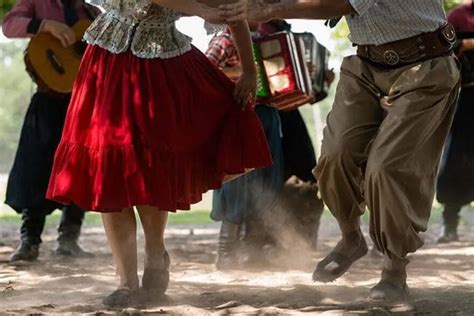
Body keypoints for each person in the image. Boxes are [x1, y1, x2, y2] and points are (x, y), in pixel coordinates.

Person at [219, 0, 460, 301]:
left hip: (425, 65)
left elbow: (340, 4)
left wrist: (266, 10)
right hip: (366, 65)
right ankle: (351, 238)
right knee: (333, 157)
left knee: (386, 169)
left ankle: (394, 270)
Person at [45, 0, 271, 308]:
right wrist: (201, 10)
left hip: (158, 66)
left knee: (149, 167)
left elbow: (232, 8)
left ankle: (155, 254)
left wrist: (249, 68)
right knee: (107, 169)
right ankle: (126, 282)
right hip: (105, 62)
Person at [207, 19, 325, 270]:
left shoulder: (266, 42)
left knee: (266, 183)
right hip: (239, 120)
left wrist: (299, 74)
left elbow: (277, 87)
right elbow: (206, 73)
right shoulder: (225, 40)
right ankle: (226, 251)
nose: (261, 12)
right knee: (237, 185)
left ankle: (252, 249)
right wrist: (246, 74)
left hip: (269, 120)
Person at [2, 0, 99, 262]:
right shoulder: (35, 2)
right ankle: (29, 242)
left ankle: (69, 240)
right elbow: (8, 26)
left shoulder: (91, 13)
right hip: (46, 100)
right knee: (35, 167)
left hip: (83, 103)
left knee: (82, 168)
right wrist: (45, 25)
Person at [436, 0, 474, 243]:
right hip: (467, 97)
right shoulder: (459, 16)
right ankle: (450, 224)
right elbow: (443, 48)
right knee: (456, 159)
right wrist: (468, 43)